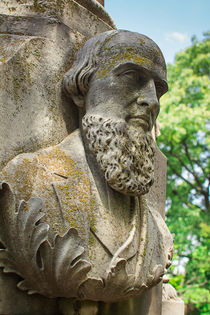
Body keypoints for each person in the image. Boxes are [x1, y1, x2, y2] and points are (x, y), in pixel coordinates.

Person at [0, 30, 173, 301]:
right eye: (132, 77)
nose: (152, 101)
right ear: (81, 90)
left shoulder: (156, 229)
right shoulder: (29, 178)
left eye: (158, 89)